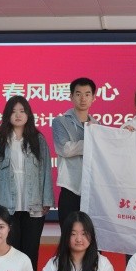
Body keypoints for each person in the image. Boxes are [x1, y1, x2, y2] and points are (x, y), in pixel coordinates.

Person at [0, 96, 53, 271]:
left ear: (28, 114)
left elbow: (46, 170)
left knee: (31, 251)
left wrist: (47, 200)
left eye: (22, 111)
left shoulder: (38, 140)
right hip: (7, 207)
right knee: (9, 252)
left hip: (34, 206)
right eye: (13, 111)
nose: (18, 115)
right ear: (7, 115)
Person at [52, 77, 99, 227]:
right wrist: (92, 143)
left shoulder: (97, 126)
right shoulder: (60, 121)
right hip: (70, 187)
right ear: (71, 96)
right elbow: (65, 149)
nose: (83, 98)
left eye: (87, 94)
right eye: (78, 94)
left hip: (91, 190)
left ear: (93, 97)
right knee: (68, 233)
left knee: (89, 234)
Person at [41, 211, 115, 271]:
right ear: (66, 236)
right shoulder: (53, 264)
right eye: (73, 234)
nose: (79, 239)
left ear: (91, 235)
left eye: (84, 234)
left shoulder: (103, 264)